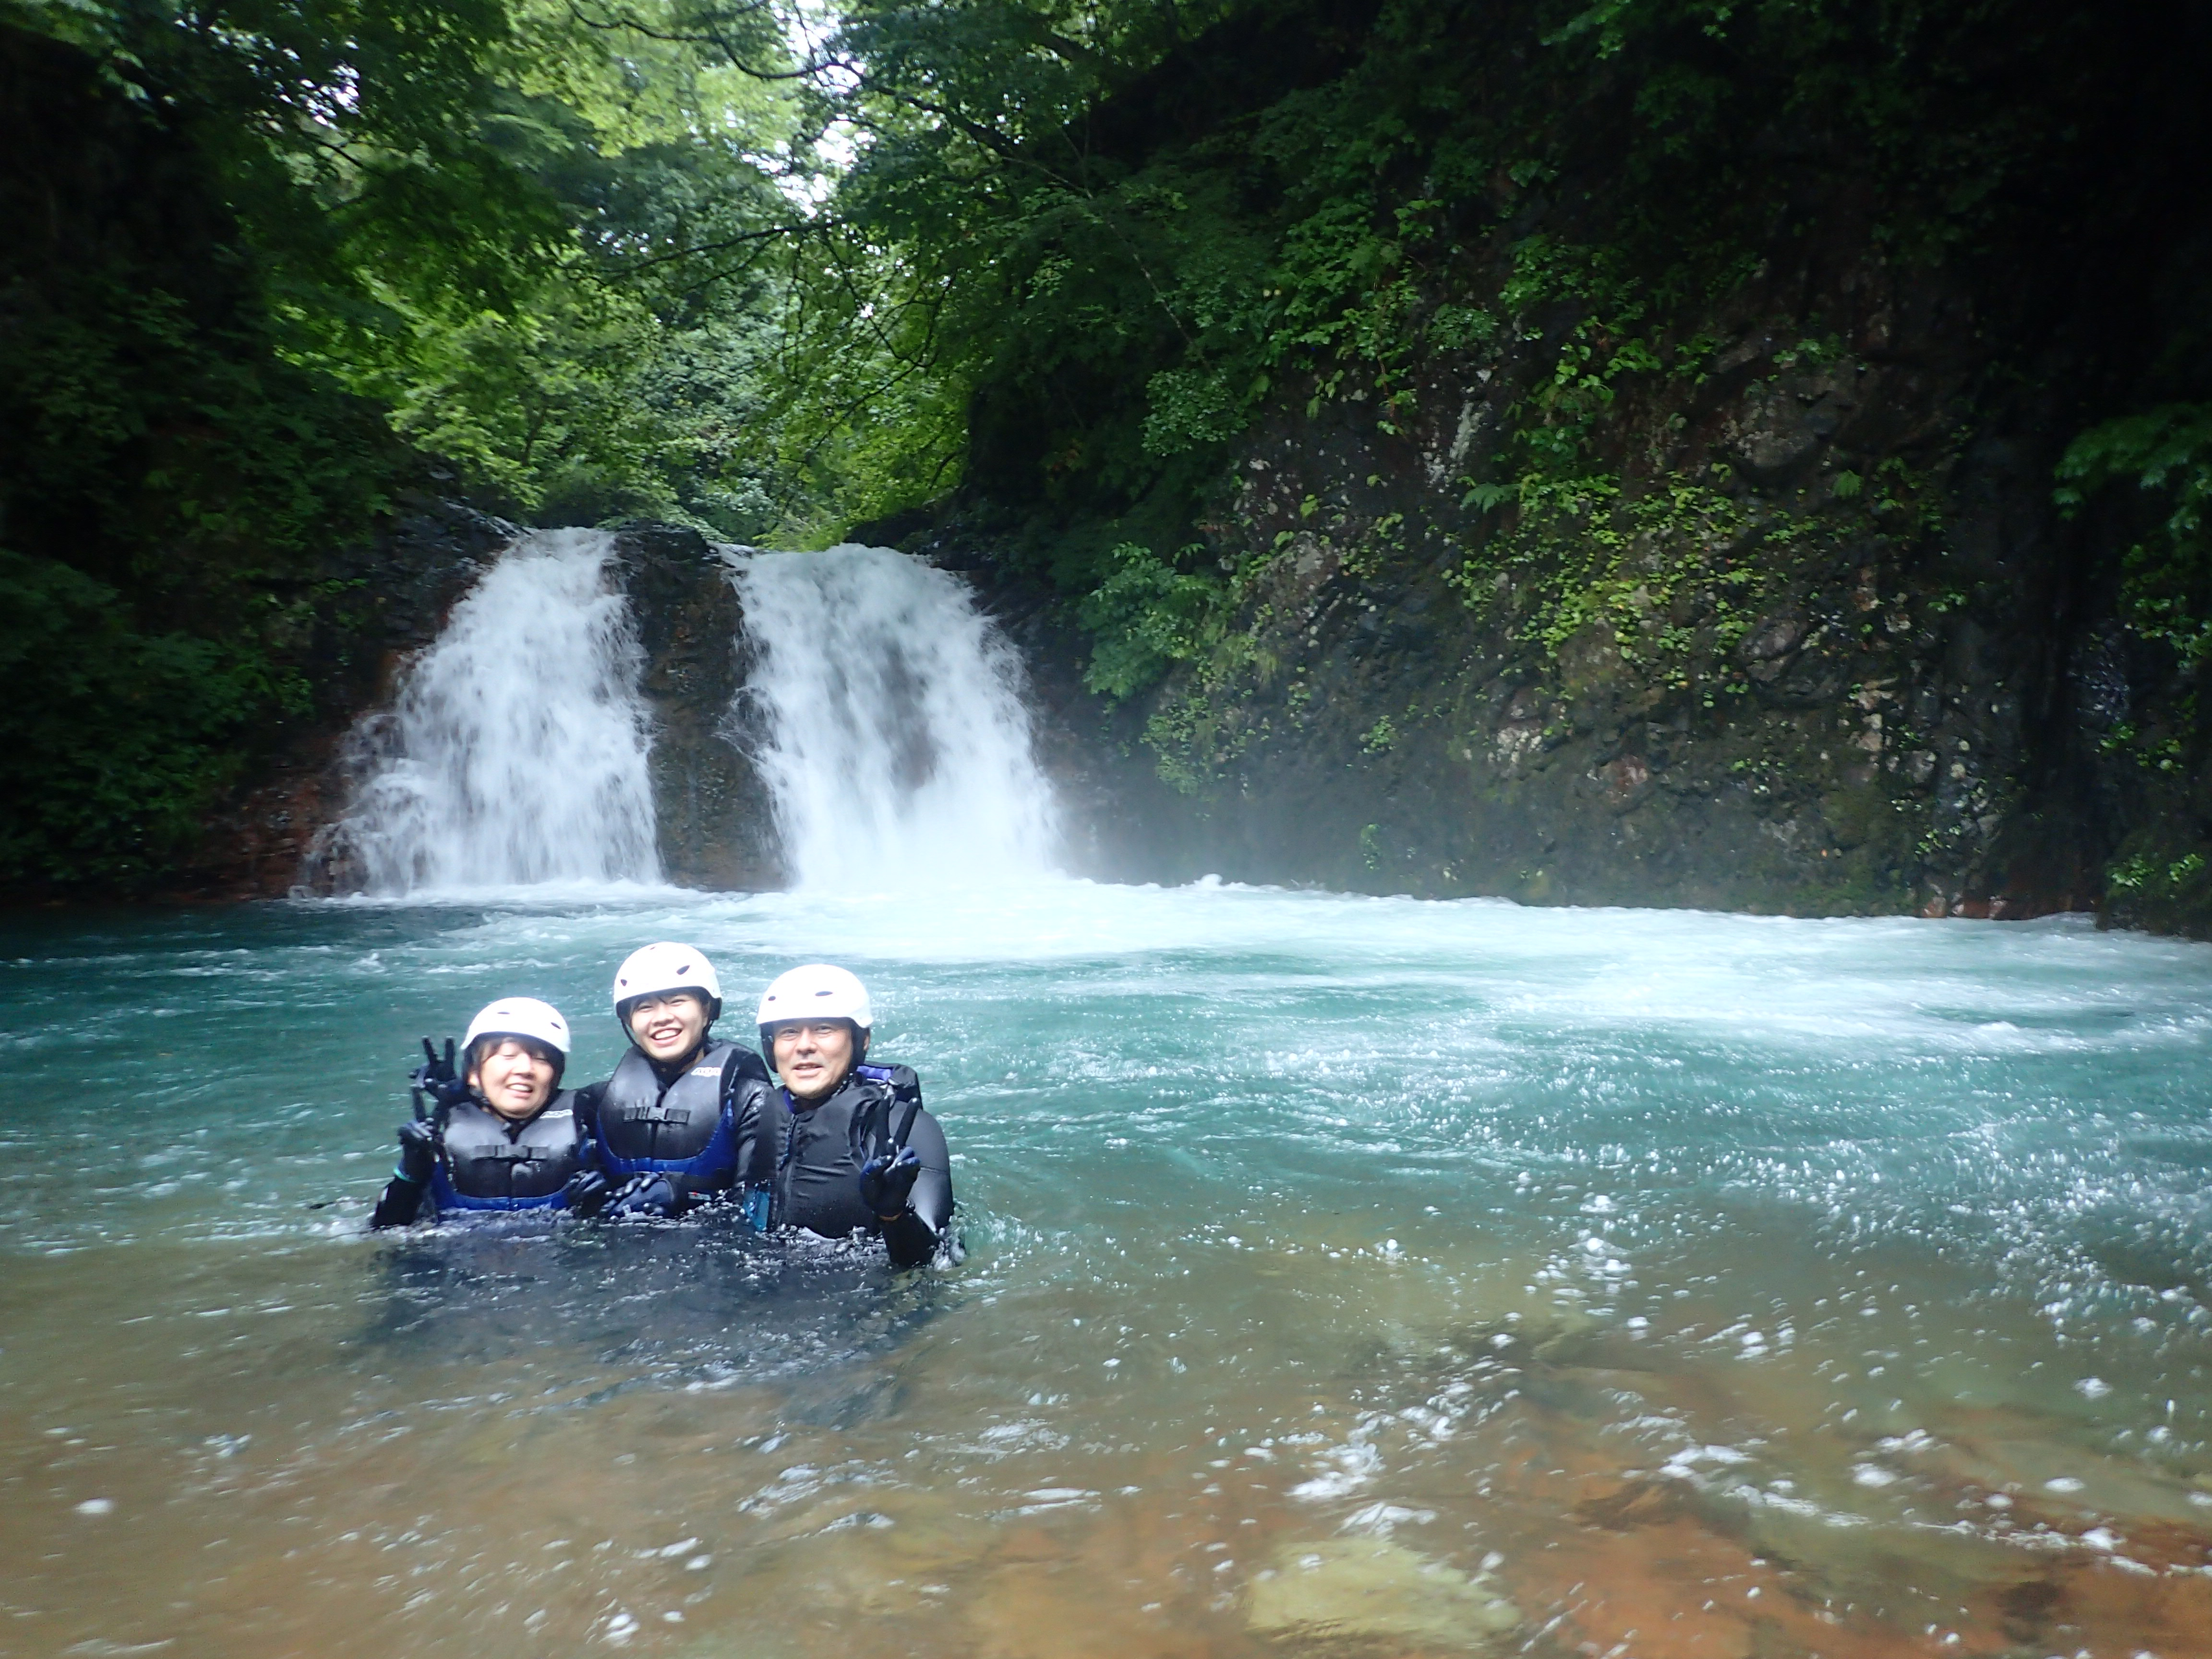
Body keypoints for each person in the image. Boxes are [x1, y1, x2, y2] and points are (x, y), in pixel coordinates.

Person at [758, 964, 956, 1268]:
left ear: (860, 1041)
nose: (805, 1045)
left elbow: (940, 1260)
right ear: (771, 1049)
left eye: (824, 1029)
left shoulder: (901, 1125)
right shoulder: (768, 1113)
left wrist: (894, 1215)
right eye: (789, 1032)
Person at [568, 942, 782, 1222]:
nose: (662, 1018)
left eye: (676, 1002)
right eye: (645, 1007)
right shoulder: (595, 1103)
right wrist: (584, 1194)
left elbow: (761, 1210)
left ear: (707, 1010)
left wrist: (682, 1195)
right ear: (629, 1021)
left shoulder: (749, 1099)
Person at [369, 997, 597, 1226]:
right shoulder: (437, 1138)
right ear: (473, 1074)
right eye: (508, 1055)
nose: (526, 1069)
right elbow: (385, 1229)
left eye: (542, 1059)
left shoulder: (587, 1121)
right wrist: (410, 1173)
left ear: (555, 1076)